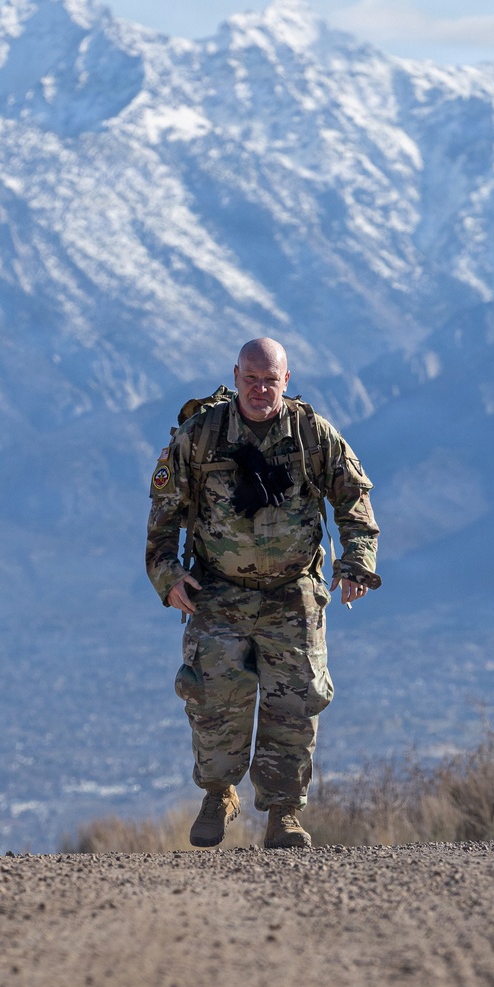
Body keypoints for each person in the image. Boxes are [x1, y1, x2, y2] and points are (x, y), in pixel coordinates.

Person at [146, 338, 380, 850]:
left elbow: (354, 501)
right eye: (250, 379)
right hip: (219, 591)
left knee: (293, 705)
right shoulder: (199, 437)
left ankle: (283, 813)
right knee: (212, 700)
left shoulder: (312, 436)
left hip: (292, 592)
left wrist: (357, 562)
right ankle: (217, 794)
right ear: (235, 375)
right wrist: (168, 579)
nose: (259, 389)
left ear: (286, 380)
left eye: (270, 380)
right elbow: (162, 520)